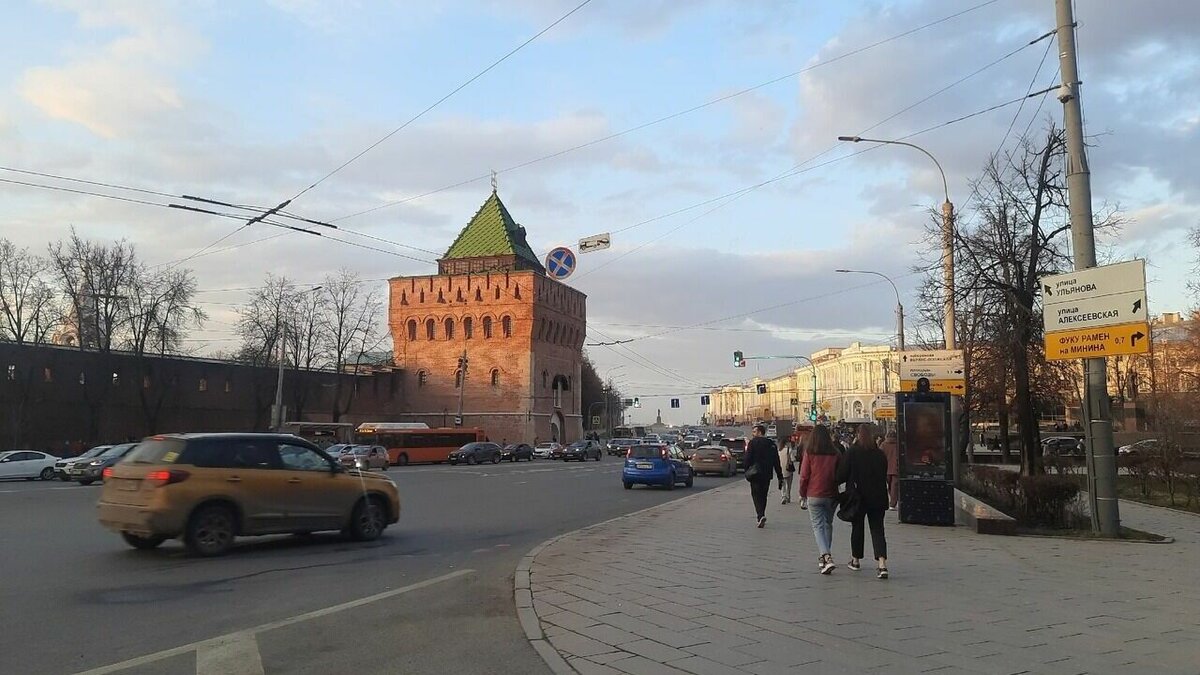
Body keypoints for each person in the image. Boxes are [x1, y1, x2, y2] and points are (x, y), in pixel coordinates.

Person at [837, 424, 890, 579]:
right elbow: (883, 473)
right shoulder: (880, 454)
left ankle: (855, 560)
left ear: (858, 435)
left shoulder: (852, 452)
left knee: (857, 528)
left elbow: (841, 474)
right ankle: (882, 564)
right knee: (878, 529)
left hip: (858, 497)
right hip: (878, 497)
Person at [800, 425, 840, 574]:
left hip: (814, 494)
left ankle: (826, 556)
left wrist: (802, 494)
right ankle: (824, 557)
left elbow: (804, 476)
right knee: (828, 524)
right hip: (831, 495)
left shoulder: (810, 453)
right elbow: (840, 473)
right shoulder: (835, 453)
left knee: (818, 526)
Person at [745, 424, 783, 528]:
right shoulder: (771, 444)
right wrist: (780, 476)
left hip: (755, 474)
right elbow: (776, 461)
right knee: (763, 495)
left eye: (754, 432)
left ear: (759, 432)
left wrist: (746, 470)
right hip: (767, 474)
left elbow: (748, 458)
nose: (753, 434)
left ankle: (760, 515)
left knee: (756, 495)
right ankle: (762, 514)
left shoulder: (753, 443)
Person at [881, 428, 900, 510]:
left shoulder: (883, 445)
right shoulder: (898, 444)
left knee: (890, 486)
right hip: (896, 468)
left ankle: (892, 501)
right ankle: (893, 502)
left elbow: (880, 456)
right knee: (894, 486)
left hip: (886, 468)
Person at [779, 438, 796, 505]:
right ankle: (788, 496)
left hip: (781, 469)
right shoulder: (789, 450)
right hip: (788, 469)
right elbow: (793, 459)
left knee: (782, 483)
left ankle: (783, 496)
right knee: (788, 484)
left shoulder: (779, 450)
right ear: (786, 443)